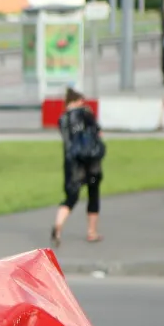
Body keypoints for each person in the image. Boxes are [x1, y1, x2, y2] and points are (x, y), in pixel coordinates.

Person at [52, 87, 105, 246]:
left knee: (71, 197)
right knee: (93, 194)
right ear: (76, 101)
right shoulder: (85, 113)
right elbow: (98, 133)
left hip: (72, 162)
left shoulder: (62, 120)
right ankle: (92, 232)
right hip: (91, 160)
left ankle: (58, 226)